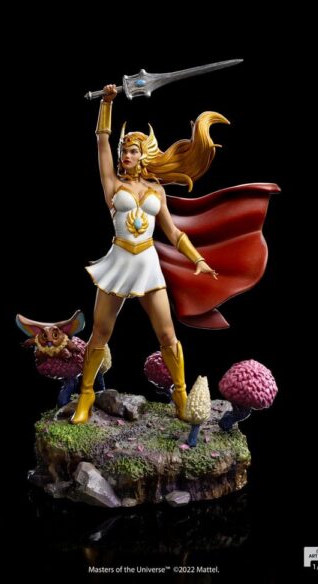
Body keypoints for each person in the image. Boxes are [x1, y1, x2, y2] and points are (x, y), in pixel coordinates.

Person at [71, 84, 224, 424]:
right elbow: (101, 141)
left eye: (132, 150)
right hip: (119, 261)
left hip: (148, 264)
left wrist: (197, 259)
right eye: (123, 150)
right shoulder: (113, 184)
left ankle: (181, 395)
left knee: (167, 335)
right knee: (101, 332)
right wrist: (107, 104)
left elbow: (173, 232)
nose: (125, 155)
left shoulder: (157, 190)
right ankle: (86, 395)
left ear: (143, 156)